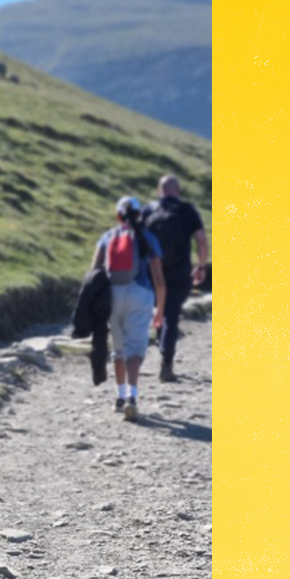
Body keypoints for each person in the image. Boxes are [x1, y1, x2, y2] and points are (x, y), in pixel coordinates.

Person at [90, 196, 165, 421]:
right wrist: (159, 309)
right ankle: (132, 397)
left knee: (119, 348)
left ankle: (120, 397)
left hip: (113, 294)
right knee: (135, 350)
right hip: (140, 295)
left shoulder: (107, 237)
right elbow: (159, 280)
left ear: (118, 215)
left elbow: (94, 272)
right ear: (140, 215)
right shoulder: (148, 238)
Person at [143, 174, 211, 382]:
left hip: (153, 271)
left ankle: (148, 352)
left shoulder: (149, 210)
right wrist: (200, 266)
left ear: (159, 190)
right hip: (180, 271)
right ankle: (166, 363)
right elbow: (201, 241)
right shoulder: (187, 210)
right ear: (178, 191)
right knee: (171, 314)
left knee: (160, 311)